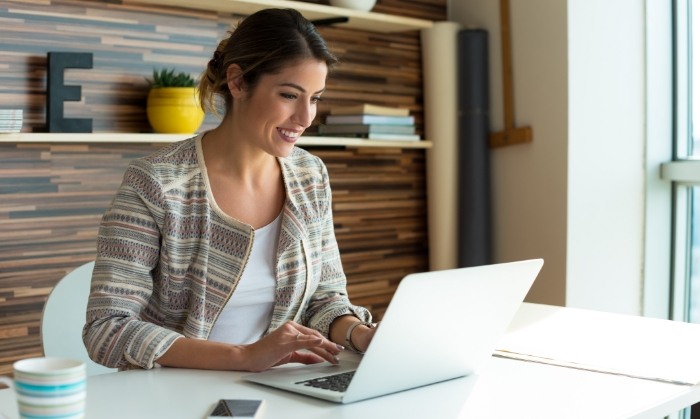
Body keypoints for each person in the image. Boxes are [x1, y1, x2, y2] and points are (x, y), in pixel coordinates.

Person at [83, 8, 377, 372]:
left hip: (280, 389)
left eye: (314, 98)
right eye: (289, 95)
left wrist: (360, 334)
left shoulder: (309, 176)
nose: (305, 118)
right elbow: (107, 329)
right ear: (237, 82)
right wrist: (245, 357)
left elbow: (324, 299)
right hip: (175, 394)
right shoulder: (156, 183)